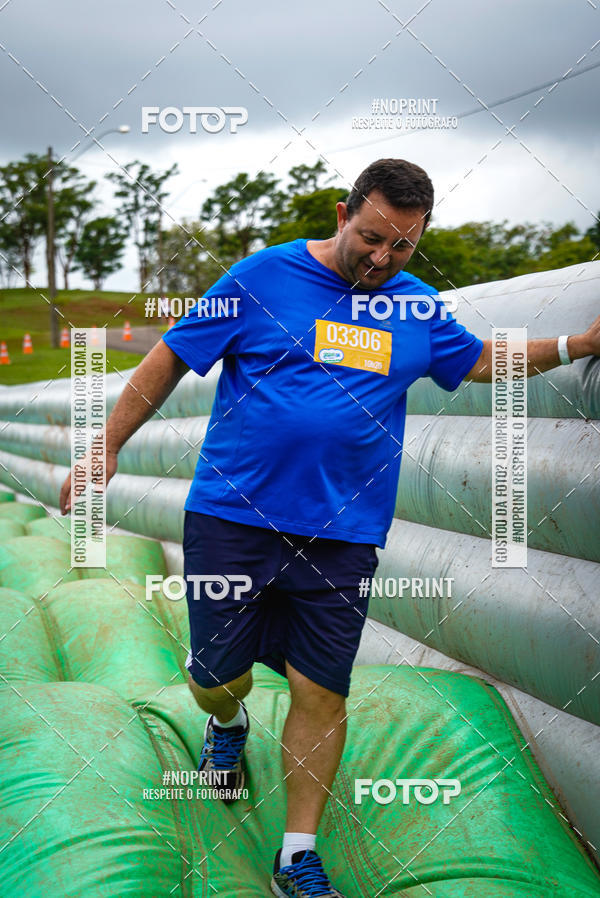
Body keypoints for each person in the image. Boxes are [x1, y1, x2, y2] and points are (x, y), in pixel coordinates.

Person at [60, 158, 600, 898]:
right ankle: (227, 722)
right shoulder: (259, 279)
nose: (382, 259)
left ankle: (297, 858)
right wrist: (107, 445)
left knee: (323, 694)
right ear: (344, 212)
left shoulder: (414, 308)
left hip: (344, 536)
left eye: (401, 247)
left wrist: (575, 345)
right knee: (220, 678)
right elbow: (167, 360)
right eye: (371, 238)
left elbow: (478, 360)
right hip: (232, 518)